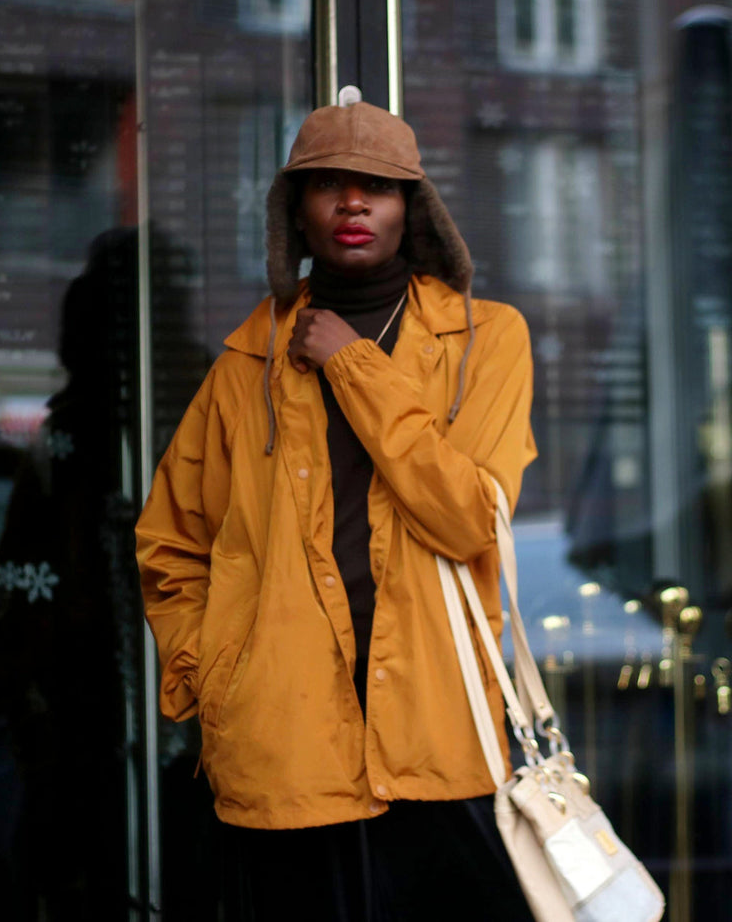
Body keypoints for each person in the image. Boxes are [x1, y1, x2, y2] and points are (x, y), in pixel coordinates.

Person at [136, 87, 538, 920]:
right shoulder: (246, 364)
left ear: (411, 209)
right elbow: (169, 544)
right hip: (282, 744)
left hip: (438, 735)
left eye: (378, 185)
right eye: (329, 183)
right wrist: (213, 683)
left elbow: (470, 516)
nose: (353, 201)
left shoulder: (484, 340)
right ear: (297, 212)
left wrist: (354, 364)